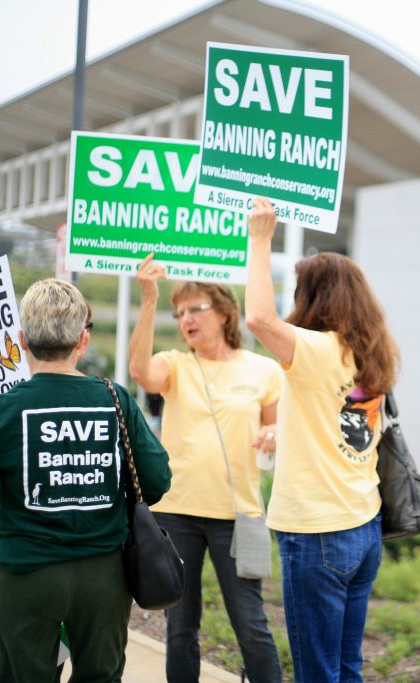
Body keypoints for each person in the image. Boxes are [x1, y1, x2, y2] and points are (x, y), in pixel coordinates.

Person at [0, 278, 171, 683]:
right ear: (82, 342)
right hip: (104, 579)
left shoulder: (0, 409)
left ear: (22, 340)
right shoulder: (117, 400)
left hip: (27, 578)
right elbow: (156, 482)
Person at [244, 198, 400, 683]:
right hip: (363, 526)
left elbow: (258, 320)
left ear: (313, 296)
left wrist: (260, 239)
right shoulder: (371, 353)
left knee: (317, 673)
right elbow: (332, 420)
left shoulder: (314, 349)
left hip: (318, 534)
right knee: (346, 668)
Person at [129, 254, 282, 683]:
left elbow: (274, 429)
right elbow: (140, 371)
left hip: (239, 516)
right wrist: (148, 300)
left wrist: (273, 435)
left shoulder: (264, 370)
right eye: (179, 313)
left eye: (195, 309)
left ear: (225, 311)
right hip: (177, 514)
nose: (186, 320)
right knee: (180, 628)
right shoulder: (175, 364)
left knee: (251, 626)